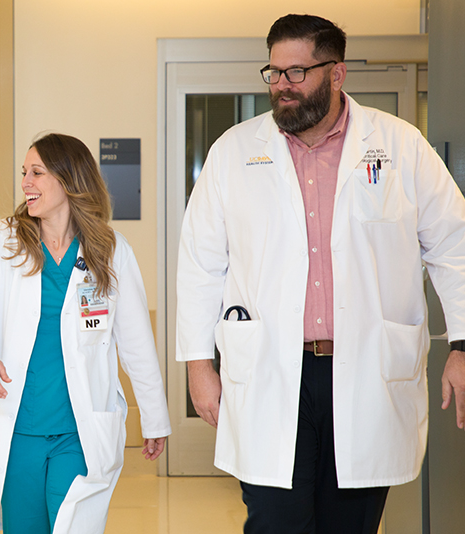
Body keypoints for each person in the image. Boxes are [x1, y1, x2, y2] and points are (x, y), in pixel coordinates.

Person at [176, 13, 465, 534]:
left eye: (297, 73)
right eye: (275, 73)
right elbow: (200, 264)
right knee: (274, 522)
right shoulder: (233, 152)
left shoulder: (401, 146)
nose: (282, 86)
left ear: (337, 74)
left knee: (350, 525)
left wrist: (464, 346)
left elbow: (455, 246)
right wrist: (199, 365)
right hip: (269, 371)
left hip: (364, 370)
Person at [0, 133, 171, 534]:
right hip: (17, 430)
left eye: (37, 172)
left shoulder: (110, 249)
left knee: (74, 527)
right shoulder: (4, 241)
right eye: (23, 173)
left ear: (68, 180)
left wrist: (155, 419)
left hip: (79, 431)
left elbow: (136, 342)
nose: (25, 183)